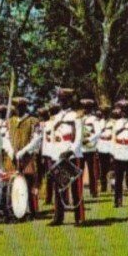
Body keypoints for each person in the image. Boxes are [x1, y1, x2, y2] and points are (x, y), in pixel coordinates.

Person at [49, 88, 85, 226]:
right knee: (58, 187)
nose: (62, 103)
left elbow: (78, 138)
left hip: (72, 155)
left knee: (76, 188)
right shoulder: (56, 117)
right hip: (58, 154)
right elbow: (53, 138)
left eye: (64, 100)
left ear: (69, 101)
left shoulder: (76, 116)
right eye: (60, 100)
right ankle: (58, 217)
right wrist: (54, 155)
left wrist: (70, 151)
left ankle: (79, 217)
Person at [5, 97, 42, 220]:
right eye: (16, 107)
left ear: (25, 107)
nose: (18, 109)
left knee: (29, 183)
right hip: (13, 157)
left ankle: (32, 211)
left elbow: (37, 139)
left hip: (27, 156)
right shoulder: (10, 121)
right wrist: (10, 151)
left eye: (21, 107)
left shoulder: (33, 121)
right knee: (15, 184)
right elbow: (5, 138)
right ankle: (17, 211)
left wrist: (24, 151)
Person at [80, 98, 102, 198]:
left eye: (87, 107)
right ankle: (79, 191)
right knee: (79, 171)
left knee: (92, 171)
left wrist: (89, 139)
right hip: (80, 148)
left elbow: (98, 132)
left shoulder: (94, 119)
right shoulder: (79, 118)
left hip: (90, 147)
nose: (86, 109)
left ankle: (93, 191)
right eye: (84, 107)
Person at [96, 105, 117, 194]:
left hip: (110, 145)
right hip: (101, 146)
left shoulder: (113, 123)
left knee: (112, 167)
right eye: (103, 112)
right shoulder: (98, 122)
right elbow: (96, 136)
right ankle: (103, 187)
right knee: (102, 168)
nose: (104, 114)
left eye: (106, 113)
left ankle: (113, 186)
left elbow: (114, 135)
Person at [42, 103, 60, 205]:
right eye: (51, 111)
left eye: (54, 111)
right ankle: (48, 198)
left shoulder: (59, 123)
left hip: (57, 153)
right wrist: (44, 154)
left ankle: (63, 199)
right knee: (49, 177)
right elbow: (45, 140)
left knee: (59, 177)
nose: (51, 113)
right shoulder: (47, 124)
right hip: (48, 153)